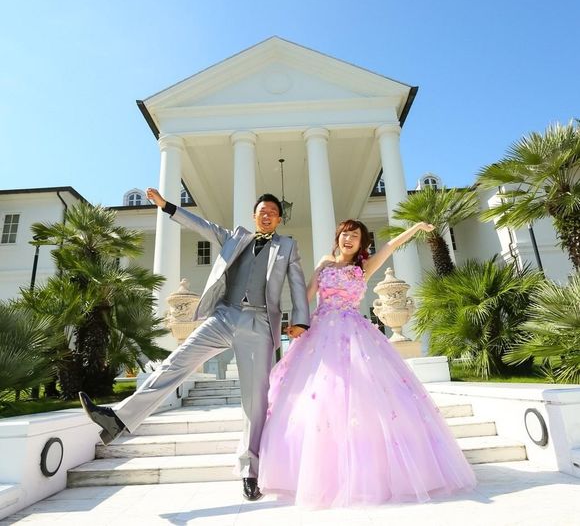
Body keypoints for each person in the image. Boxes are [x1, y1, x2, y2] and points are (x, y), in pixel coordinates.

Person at [79, 188, 309, 502]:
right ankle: (118, 418)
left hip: (258, 324)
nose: (267, 215)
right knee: (177, 362)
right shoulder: (236, 237)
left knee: (254, 402)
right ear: (254, 216)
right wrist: (167, 207)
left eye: (272, 212)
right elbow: (202, 226)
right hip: (225, 315)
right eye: (262, 211)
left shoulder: (287, 246)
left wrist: (301, 319)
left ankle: (250, 472)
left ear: (279, 219)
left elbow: (297, 282)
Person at [258, 219, 476, 508]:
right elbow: (307, 294)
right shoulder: (324, 263)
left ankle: (367, 474)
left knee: (363, 399)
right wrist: (297, 321)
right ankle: (317, 474)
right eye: (345, 234)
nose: (349, 239)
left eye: (355, 236)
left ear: (362, 243)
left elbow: (392, 246)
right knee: (317, 400)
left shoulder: (364, 267)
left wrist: (414, 229)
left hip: (355, 335)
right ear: (338, 237)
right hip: (319, 334)